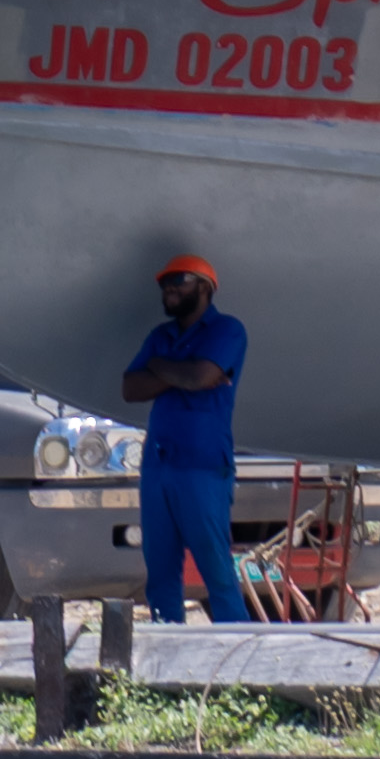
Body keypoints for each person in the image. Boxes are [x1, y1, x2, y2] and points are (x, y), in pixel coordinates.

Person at [123, 251, 246, 623]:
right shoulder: (160, 336)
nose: (169, 289)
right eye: (165, 283)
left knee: (217, 572)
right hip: (158, 466)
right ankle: (166, 657)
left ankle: (242, 663)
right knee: (160, 574)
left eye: (179, 280)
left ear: (205, 288)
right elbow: (130, 387)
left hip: (203, 467)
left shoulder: (227, 330)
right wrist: (184, 372)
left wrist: (160, 369)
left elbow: (200, 378)